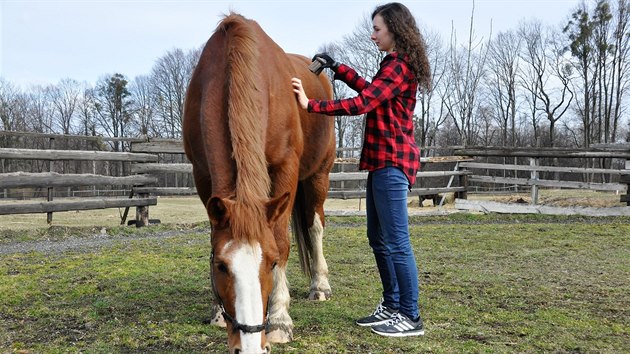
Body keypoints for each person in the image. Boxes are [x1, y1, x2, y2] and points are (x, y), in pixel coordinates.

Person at [291, 2, 430, 338]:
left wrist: (313, 106)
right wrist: (338, 68)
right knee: (377, 238)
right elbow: (371, 90)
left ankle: (410, 316)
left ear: (395, 29)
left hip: (393, 163)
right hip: (381, 163)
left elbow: (363, 103)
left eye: (377, 29)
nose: (373, 35)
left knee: (396, 242)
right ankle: (392, 305)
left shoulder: (400, 66)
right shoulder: (392, 66)